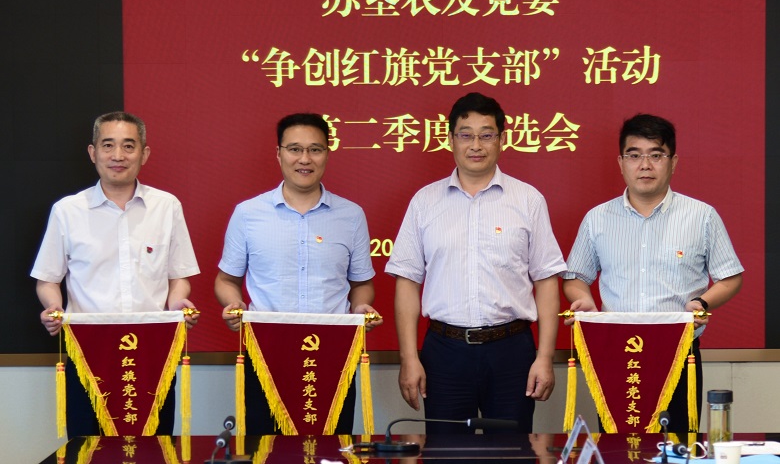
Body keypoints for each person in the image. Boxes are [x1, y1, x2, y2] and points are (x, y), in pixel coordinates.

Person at [385, 93, 565, 434]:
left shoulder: (528, 200)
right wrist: (409, 358)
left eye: (487, 134)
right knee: (446, 453)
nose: (476, 145)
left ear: (501, 139)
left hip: (511, 350)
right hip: (445, 353)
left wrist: (545, 357)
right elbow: (407, 282)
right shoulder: (425, 202)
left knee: (512, 452)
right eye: (466, 135)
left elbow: (546, 281)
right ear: (451, 139)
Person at [562, 113, 743, 432]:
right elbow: (576, 276)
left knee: (678, 444)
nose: (645, 165)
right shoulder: (597, 219)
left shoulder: (701, 216)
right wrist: (584, 300)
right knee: (617, 443)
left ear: (673, 162)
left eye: (656, 155)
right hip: (615, 353)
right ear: (621, 162)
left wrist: (702, 303)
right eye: (634, 155)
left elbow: (730, 277)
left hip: (678, 353)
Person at [32, 111, 200, 437]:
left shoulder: (167, 207)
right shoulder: (67, 210)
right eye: (108, 145)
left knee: (154, 447)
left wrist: (178, 303)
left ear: (144, 153)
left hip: (154, 353)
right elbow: (48, 280)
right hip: (87, 350)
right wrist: (53, 308)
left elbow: (179, 276)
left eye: (128, 146)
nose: (118, 155)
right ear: (93, 152)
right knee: (88, 446)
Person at [214, 112, 382, 435]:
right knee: (265, 449)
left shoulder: (351, 215)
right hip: (265, 354)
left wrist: (361, 307)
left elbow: (362, 284)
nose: (304, 159)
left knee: (332, 448)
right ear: (278, 154)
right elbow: (225, 280)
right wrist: (234, 304)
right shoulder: (248, 214)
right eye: (294, 149)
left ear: (327, 154)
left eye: (315, 149)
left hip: (335, 357)